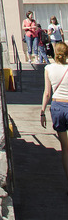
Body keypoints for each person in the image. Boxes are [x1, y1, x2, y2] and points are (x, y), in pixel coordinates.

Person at [40, 40, 68, 187]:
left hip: (57, 106)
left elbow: (47, 93)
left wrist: (42, 111)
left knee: (65, 148)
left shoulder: (49, 68)